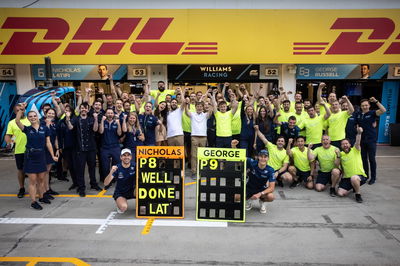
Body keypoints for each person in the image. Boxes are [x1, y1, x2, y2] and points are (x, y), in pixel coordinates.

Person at [15, 105, 58, 210]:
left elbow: (48, 143)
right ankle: (33, 202)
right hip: (30, 157)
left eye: (34, 116)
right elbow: (17, 121)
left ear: (38, 117)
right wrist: (21, 110)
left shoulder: (44, 128)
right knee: (33, 181)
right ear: (28, 119)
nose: (33, 117)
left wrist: (52, 155)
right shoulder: (27, 129)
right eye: (30, 116)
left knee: (41, 179)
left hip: (41, 156)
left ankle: (42, 197)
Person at [66, 102, 101, 197]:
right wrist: (68, 118)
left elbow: (95, 129)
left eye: (85, 108)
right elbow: (70, 127)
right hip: (80, 149)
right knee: (80, 169)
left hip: (91, 148)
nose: (84, 109)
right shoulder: (76, 119)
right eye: (82, 108)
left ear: (88, 109)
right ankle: (81, 188)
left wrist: (96, 118)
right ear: (80, 109)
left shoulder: (91, 118)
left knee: (92, 168)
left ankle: (93, 184)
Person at [232, 140, 275, 214]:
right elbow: (239, 156)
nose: (263, 159)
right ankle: (248, 200)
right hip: (249, 187)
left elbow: (271, 188)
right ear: (258, 157)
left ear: (268, 158)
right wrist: (233, 146)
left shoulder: (270, 170)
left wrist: (260, 194)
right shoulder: (252, 162)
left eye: (265, 157)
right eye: (261, 156)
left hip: (261, 189)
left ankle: (262, 201)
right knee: (236, 197)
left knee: (271, 196)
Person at [357, 97, 386, 184]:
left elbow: (383, 110)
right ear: (361, 106)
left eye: (366, 105)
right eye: (363, 105)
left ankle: (373, 177)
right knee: (363, 159)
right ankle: (366, 175)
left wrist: (376, 102)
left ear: (369, 106)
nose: (364, 107)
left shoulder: (373, 113)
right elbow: (356, 123)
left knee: (372, 159)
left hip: (371, 140)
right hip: (362, 140)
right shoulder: (359, 114)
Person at [5, 103, 30, 198]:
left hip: (31, 150)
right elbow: (10, 135)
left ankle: (36, 188)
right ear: (15, 112)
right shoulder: (11, 123)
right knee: (21, 170)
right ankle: (22, 188)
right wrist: (9, 142)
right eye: (19, 110)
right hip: (19, 150)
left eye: (22, 109)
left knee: (33, 171)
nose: (21, 111)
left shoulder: (31, 119)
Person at [338, 126, 368, 203]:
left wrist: (359, 133)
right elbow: (337, 164)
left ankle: (358, 194)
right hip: (347, 178)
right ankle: (353, 186)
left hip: (359, 176)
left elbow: (358, 142)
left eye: (346, 143)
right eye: (343, 144)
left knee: (354, 178)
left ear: (350, 144)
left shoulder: (355, 150)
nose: (345, 145)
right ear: (341, 146)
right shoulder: (340, 154)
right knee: (340, 193)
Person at [185, 100, 213, 178]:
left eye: (201, 106)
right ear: (195, 107)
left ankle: (201, 171)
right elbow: (187, 112)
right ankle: (194, 172)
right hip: (194, 137)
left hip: (203, 137)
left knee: (202, 156)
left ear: (203, 107)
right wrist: (186, 104)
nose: (199, 108)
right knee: (194, 155)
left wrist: (210, 103)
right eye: (198, 106)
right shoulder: (192, 114)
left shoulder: (205, 115)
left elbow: (210, 112)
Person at [104, 148, 136, 214]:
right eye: (124, 155)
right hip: (121, 192)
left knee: (140, 190)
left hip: (132, 191)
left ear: (131, 157)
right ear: (121, 157)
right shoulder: (117, 168)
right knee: (123, 207)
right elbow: (105, 183)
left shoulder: (135, 166)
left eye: (128, 155)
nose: (126, 157)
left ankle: (140, 205)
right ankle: (120, 204)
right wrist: (111, 172)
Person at [99, 108, 122, 185]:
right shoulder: (103, 122)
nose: (110, 115)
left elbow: (119, 133)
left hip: (115, 147)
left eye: (111, 113)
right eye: (108, 113)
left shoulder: (116, 122)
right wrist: (102, 121)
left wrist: (118, 123)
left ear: (113, 114)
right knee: (105, 166)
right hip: (105, 147)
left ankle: (114, 179)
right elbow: (101, 131)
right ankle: (107, 180)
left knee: (116, 165)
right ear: (105, 114)